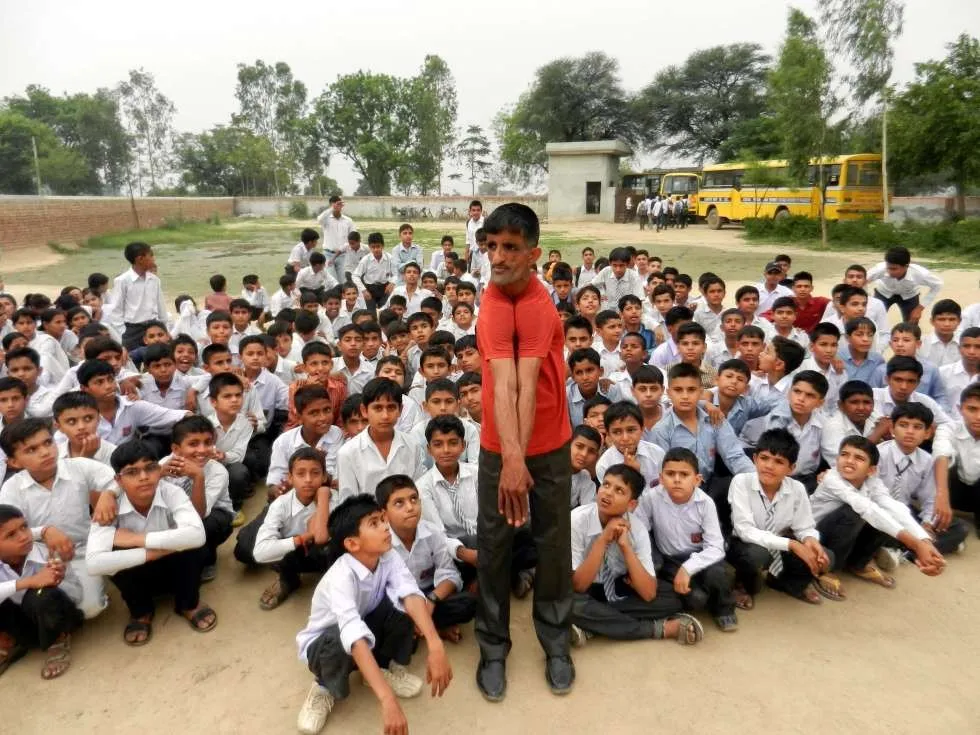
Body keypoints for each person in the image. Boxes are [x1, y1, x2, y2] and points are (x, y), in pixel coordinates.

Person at [474, 203, 574, 701]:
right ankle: (493, 647)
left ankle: (556, 640)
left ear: (534, 255)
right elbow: (502, 383)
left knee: (553, 542)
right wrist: (510, 458)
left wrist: (523, 459)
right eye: (491, 246)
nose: (498, 257)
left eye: (510, 248)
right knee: (494, 545)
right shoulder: (491, 303)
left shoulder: (538, 304)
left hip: (550, 443)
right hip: (498, 446)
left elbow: (527, 385)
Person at [293, 494, 452, 735]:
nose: (386, 527)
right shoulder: (340, 577)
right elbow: (353, 634)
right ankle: (323, 687)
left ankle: (380, 667)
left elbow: (410, 593)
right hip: (326, 643)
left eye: (382, 520)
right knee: (338, 637)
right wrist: (387, 700)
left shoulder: (387, 555)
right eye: (374, 524)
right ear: (352, 544)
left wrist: (435, 644)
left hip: (365, 623)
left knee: (404, 605)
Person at [86, 441, 216, 646]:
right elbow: (94, 563)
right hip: (138, 572)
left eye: (150, 468)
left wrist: (136, 539)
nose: (144, 477)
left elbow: (197, 535)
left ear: (159, 470)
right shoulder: (108, 507)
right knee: (114, 553)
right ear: (118, 480)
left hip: (177, 568)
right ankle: (141, 612)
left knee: (193, 545)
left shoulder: (171, 492)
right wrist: (155, 552)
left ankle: (188, 604)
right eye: (132, 472)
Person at [568, 463, 703, 647]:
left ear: (631, 504)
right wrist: (603, 540)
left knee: (672, 599)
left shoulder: (637, 529)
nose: (608, 493)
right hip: (585, 589)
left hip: (616, 588)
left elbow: (648, 593)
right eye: (606, 485)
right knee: (568, 603)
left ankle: (594, 624)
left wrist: (626, 547)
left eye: (619, 490)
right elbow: (579, 585)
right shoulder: (577, 520)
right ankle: (658, 629)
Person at [0, 418, 118, 620]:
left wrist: (109, 493)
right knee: (46, 603)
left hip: (85, 548)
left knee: (91, 609)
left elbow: (118, 478)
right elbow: (8, 531)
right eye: (31, 450)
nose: (45, 452)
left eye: (48, 442)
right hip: (44, 557)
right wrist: (44, 531)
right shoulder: (11, 489)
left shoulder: (77, 466)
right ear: (13, 462)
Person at [810, 436, 945, 592]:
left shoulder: (872, 481)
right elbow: (866, 508)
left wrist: (925, 541)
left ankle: (858, 563)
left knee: (885, 514)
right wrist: (916, 545)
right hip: (815, 533)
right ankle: (828, 569)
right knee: (857, 512)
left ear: (871, 470)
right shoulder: (832, 479)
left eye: (859, 458)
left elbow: (894, 508)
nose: (849, 461)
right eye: (844, 455)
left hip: (844, 531)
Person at [727, 429, 835, 607]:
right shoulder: (741, 482)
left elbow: (804, 526)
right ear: (754, 459)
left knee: (825, 555)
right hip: (744, 543)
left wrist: (810, 540)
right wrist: (792, 544)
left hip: (779, 541)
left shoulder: (797, 488)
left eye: (779, 461)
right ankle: (741, 584)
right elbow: (744, 530)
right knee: (756, 555)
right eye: (764, 458)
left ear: (791, 468)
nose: (769, 466)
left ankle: (784, 582)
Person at [637, 449, 735, 631]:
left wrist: (687, 568)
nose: (677, 479)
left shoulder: (705, 503)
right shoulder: (651, 498)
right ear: (661, 478)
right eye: (670, 474)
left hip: (701, 555)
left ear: (697, 480)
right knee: (696, 599)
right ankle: (698, 595)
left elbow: (716, 547)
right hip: (670, 559)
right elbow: (639, 529)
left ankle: (724, 609)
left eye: (684, 474)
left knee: (717, 575)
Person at [378, 474, 477, 643]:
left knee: (468, 604)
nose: (410, 507)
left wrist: (431, 600)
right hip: (402, 603)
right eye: (399, 503)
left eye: (413, 499)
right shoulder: (380, 544)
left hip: (430, 593)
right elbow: (383, 592)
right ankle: (433, 628)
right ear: (384, 514)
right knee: (387, 618)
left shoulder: (432, 532)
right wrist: (414, 610)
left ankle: (422, 628)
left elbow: (450, 573)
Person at [0, 504, 84, 680]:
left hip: (58, 619)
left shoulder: (48, 553)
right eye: (11, 535)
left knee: (41, 594)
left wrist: (57, 581)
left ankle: (57, 642)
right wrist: (29, 582)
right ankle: (9, 642)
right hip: (24, 626)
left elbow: (76, 595)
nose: (24, 536)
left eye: (24, 527)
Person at [160, 416, 234, 582]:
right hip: (175, 514)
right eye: (193, 444)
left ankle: (208, 559)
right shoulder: (165, 465)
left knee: (206, 526)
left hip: (210, 516)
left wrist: (198, 477)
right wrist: (157, 475)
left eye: (207, 442)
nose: (202, 450)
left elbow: (199, 514)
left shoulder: (218, 472)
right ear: (176, 449)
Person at [336, 378, 425, 501]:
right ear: (364, 410)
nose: (385, 416)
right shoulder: (348, 453)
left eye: (391, 407)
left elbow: (419, 491)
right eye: (378, 408)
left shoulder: (412, 445)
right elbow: (348, 502)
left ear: (400, 410)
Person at [933, 384, 980, 536]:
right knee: (942, 462)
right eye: (972, 409)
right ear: (960, 409)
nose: (978, 417)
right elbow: (941, 454)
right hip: (952, 492)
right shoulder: (948, 428)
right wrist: (941, 496)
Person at [108, 242, 169, 351]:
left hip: (153, 325)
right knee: (133, 358)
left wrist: (164, 327)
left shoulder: (154, 280)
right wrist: (123, 332)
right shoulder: (122, 281)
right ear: (140, 259)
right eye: (151, 255)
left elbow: (161, 306)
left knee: (157, 356)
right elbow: (116, 310)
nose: (154, 259)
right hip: (133, 329)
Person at [866, 246, 943, 324]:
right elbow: (862, 280)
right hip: (883, 293)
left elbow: (937, 285)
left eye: (894, 269)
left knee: (912, 324)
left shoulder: (920, 273)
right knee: (871, 320)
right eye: (888, 268)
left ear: (906, 266)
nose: (890, 271)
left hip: (909, 295)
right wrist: (867, 298)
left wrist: (919, 308)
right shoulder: (880, 269)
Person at [316, 195, 355, 285]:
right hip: (328, 255)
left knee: (343, 282)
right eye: (336, 204)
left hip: (343, 255)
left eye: (340, 204)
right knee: (332, 282)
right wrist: (332, 209)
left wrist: (343, 249)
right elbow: (319, 220)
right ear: (331, 205)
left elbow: (353, 237)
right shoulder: (326, 220)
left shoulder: (348, 221)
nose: (338, 206)